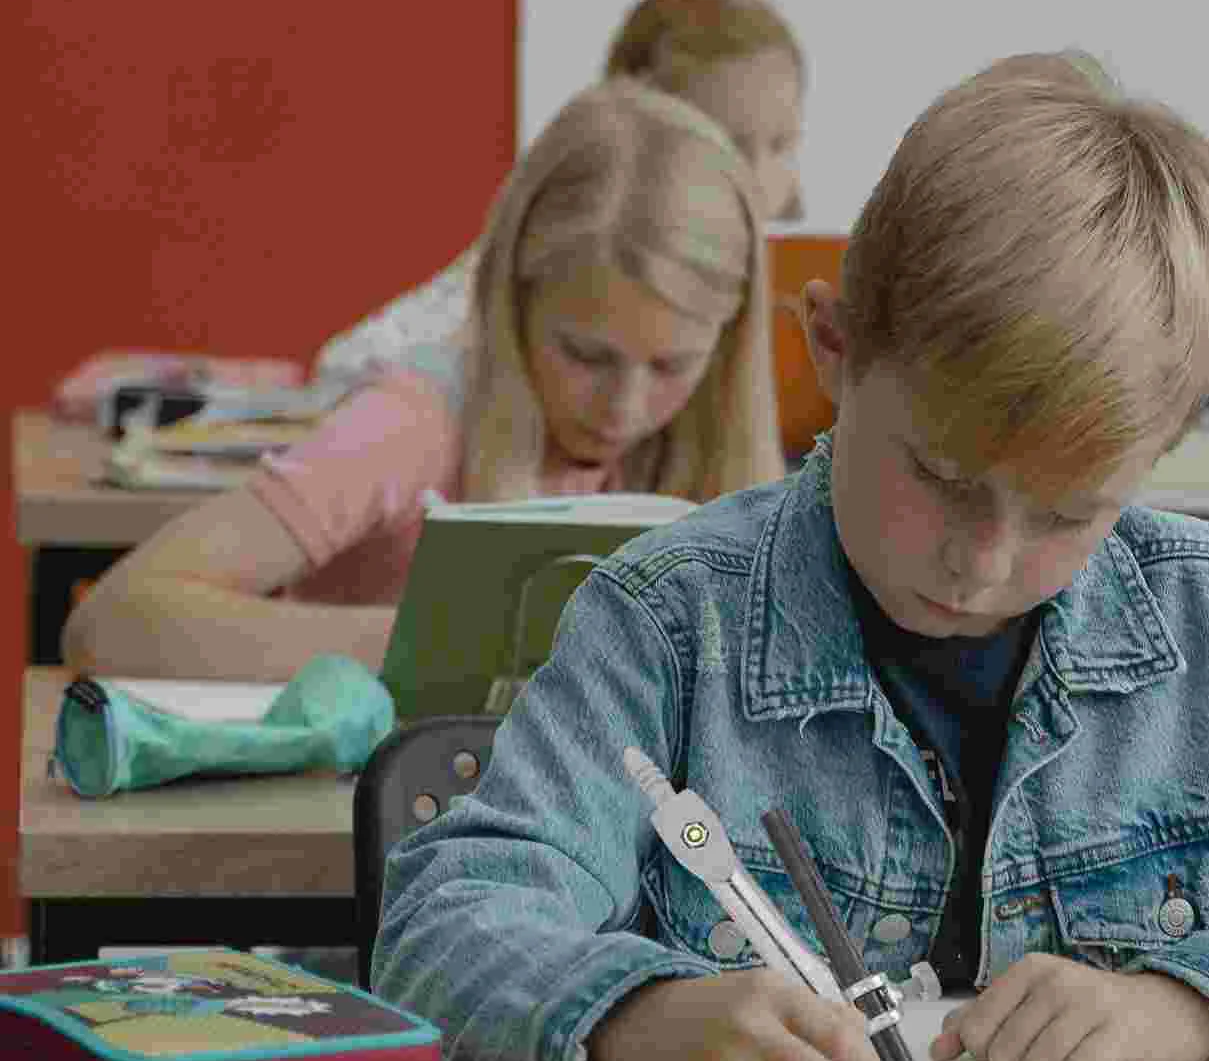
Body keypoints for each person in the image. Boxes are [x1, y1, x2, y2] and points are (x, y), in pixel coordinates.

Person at [371, 52, 1209, 1061]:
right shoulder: (669, 621)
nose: (982, 560)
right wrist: (634, 1016)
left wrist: (1183, 1002)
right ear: (833, 346)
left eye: (1065, 513)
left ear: (1157, 454)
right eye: (939, 478)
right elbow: (448, 920)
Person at [62, 79, 783, 679]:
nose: (624, 408)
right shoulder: (412, 422)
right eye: (585, 356)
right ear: (514, 299)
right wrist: (443, 647)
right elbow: (115, 619)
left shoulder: (713, 448)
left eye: (671, 366)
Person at [312, 0, 805, 381]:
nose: (756, 180)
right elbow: (352, 363)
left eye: (782, 144)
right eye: (727, 145)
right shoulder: (569, 237)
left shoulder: (806, 272)